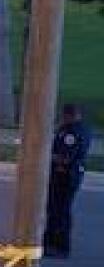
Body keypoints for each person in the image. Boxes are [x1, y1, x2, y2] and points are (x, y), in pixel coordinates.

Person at [44, 103, 92, 258]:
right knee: (54, 209)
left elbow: (65, 157)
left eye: (64, 116)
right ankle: (49, 240)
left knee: (60, 210)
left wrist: (46, 157)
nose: (62, 118)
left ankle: (60, 246)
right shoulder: (72, 129)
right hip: (63, 175)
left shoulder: (72, 132)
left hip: (65, 176)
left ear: (70, 116)